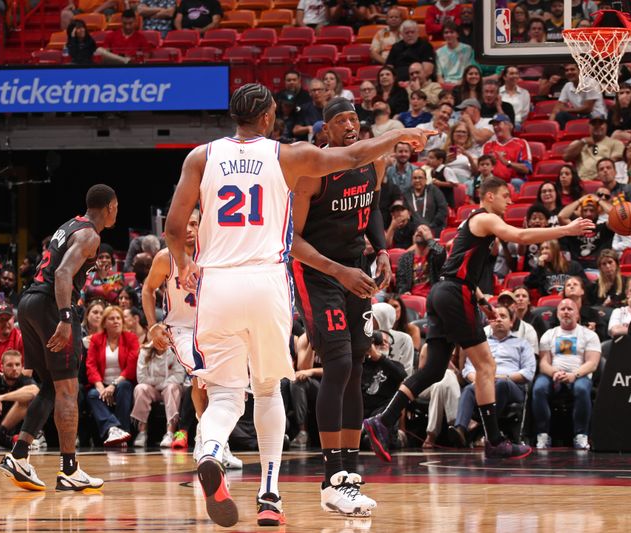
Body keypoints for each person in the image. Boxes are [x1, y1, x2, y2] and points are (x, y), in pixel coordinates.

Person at [165, 83, 432, 527]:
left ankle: (211, 451)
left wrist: (183, 263)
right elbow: (349, 159)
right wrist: (396, 135)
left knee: (226, 393)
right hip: (265, 280)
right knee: (269, 390)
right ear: (268, 118)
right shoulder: (286, 154)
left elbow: (175, 227)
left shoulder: (201, 156)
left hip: (217, 285)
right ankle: (270, 497)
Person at [363, 177, 594, 462]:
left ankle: (381, 421)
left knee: (433, 370)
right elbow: (519, 237)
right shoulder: (485, 218)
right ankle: (495, 440)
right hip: (454, 293)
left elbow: (458, 267)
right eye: (505, 195)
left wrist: (483, 303)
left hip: (445, 292)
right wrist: (566, 229)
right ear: (488, 197)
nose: (510, 201)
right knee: (486, 365)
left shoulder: (471, 224)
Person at [290, 96, 407, 518]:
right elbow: (293, 243)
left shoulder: (372, 162)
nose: (350, 126)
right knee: (337, 364)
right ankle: (331, 478)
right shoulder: (311, 172)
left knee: (357, 366)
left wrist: (381, 250)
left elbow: (371, 207)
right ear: (325, 131)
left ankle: (350, 476)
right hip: (319, 273)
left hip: (356, 270)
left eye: (354, 119)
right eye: (340, 121)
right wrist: (340, 272)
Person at [0, 184, 118, 492]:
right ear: (110, 207)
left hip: (29, 303)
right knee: (67, 389)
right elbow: (64, 274)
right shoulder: (91, 235)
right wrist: (66, 317)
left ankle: (20, 456)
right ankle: (69, 469)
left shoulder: (69, 225)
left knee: (50, 387)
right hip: (52, 306)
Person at [142, 209, 243, 467]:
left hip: (211, 327)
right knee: (200, 374)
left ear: (202, 226)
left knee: (221, 383)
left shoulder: (213, 255)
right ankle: (207, 441)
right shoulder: (166, 258)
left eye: (194, 223)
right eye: (184, 223)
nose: (188, 228)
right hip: (180, 329)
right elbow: (148, 289)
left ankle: (212, 438)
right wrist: (153, 326)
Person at [449, 303, 535, 446]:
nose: (499, 320)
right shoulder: (482, 344)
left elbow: (528, 372)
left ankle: (485, 431)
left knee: (501, 384)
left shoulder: (522, 344)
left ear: (511, 322)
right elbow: (468, 369)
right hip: (485, 383)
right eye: (495, 317)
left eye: (503, 317)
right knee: (469, 389)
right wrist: (478, 380)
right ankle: (460, 429)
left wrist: (499, 378)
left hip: (512, 386)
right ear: (490, 322)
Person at [533, 298, 601, 450]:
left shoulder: (589, 335)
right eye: (562, 309)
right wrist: (554, 372)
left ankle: (581, 435)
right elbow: (544, 363)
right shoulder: (548, 334)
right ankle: (543, 434)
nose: (566, 312)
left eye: (570, 309)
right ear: (557, 314)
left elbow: (592, 363)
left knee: (582, 389)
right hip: (553, 375)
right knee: (538, 388)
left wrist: (573, 375)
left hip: (579, 375)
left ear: (577, 314)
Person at [85, 305, 138, 446]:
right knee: (92, 394)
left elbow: (131, 367)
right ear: (104, 323)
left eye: (118, 318)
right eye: (112, 318)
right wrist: (100, 387)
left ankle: (123, 430)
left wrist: (114, 385)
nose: (116, 321)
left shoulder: (131, 338)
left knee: (124, 387)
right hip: (102, 383)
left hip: (122, 381)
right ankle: (113, 428)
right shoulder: (96, 340)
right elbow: (91, 366)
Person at [131, 340, 185, 447]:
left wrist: (160, 383)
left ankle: (170, 432)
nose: (161, 340)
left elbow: (179, 376)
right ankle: (142, 432)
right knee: (140, 388)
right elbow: (141, 378)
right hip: (153, 389)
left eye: (164, 336)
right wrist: (159, 383)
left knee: (171, 388)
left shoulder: (175, 351)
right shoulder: (144, 351)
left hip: (169, 388)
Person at [562, 116, 624, 183]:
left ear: (606, 126)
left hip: (604, 182)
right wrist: (583, 142)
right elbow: (566, 157)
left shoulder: (615, 143)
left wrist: (601, 174)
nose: (597, 126)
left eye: (600, 123)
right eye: (594, 124)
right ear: (589, 126)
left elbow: (614, 162)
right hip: (582, 182)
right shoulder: (580, 143)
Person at [550, 64, 608, 129]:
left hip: (596, 115)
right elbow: (558, 106)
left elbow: (588, 108)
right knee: (560, 115)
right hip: (580, 116)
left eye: (572, 69)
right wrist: (550, 124)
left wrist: (566, 110)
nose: (569, 72)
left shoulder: (591, 83)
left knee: (595, 116)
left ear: (580, 71)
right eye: (567, 70)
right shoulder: (567, 86)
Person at [396, 224, 446, 297]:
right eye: (417, 230)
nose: (420, 231)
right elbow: (401, 281)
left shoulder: (434, 255)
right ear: (413, 237)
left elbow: (441, 253)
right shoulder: (405, 258)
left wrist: (430, 240)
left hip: (432, 297)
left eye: (424, 230)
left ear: (431, 236)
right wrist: (404, 292)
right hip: (412, 297)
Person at [404, 168, 448, 236]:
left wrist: (431, 225)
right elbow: (405, 213)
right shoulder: (407, 193)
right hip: (414, 231)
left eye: (420, 178)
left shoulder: (433, 190)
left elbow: (443, 209)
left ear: (425, 179)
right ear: (411, 180)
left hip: (434, 228)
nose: (417, 180)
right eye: (414, 178)